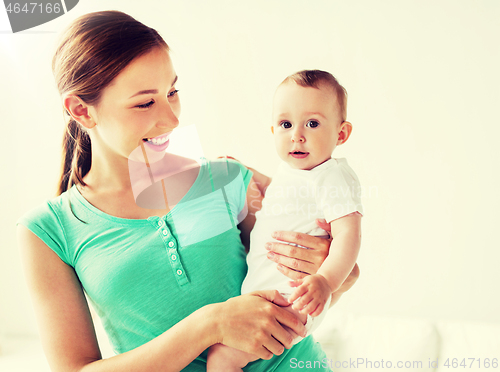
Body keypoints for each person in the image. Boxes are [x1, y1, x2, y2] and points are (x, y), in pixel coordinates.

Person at [16, 11, 359, 372]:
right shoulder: (47, 231)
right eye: (146, 102)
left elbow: (345, 271)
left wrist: (325, 263)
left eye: (172, 92)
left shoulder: (226, 178)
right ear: (81, 110)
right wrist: (209, 325)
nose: (173, 118)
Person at [207, 70, 363, 371]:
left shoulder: (333, 177)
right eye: (286, 124)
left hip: (296, 299)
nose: (297, 135)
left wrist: (325, 282)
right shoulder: (294, 173)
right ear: (273, 130)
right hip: (272, 297)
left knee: (222, 356)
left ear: (341, 134)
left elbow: (348, 235)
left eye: (313, 123)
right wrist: (243, 171)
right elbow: (280, 197)